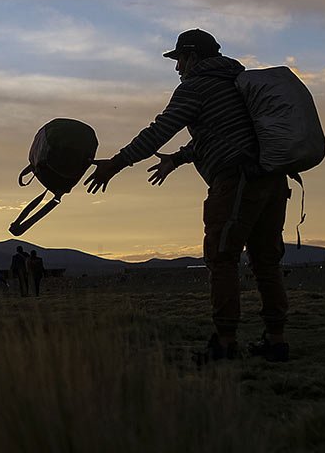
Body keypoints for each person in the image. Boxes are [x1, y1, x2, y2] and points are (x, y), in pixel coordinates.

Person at [84, 29, 290, 362]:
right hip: (272, 179)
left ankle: (224, 343)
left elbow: (159, 131)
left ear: (192, 57)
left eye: (179, 59)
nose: (178, 68)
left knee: (222, 258)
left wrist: (117, 163)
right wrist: (177, 159)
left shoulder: (196, 87)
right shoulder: (238, 84)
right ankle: (276, 340)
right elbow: (222, 134)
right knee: (266, 261)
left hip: (237, 181)